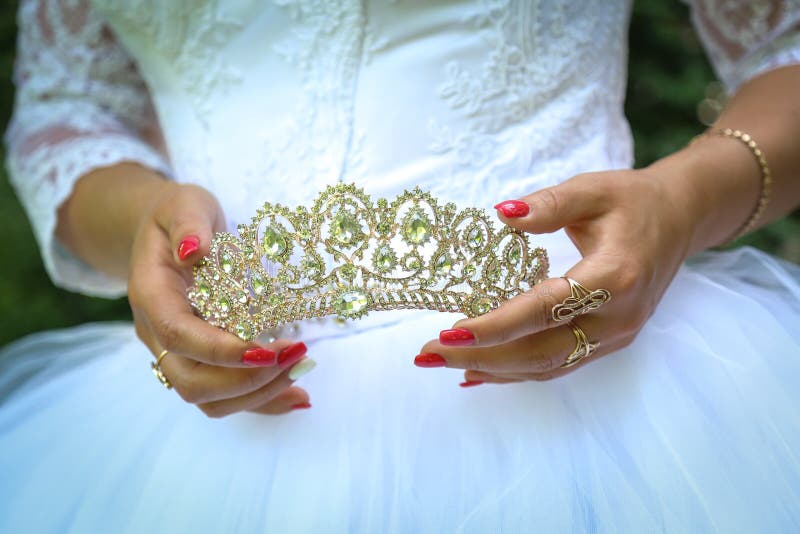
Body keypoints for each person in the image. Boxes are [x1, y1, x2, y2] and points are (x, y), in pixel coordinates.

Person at [2, 0, 799, 531]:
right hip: (210, 433)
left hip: (606, 389)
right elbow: (71, 112)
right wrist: (143, 219)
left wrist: (686, 198)